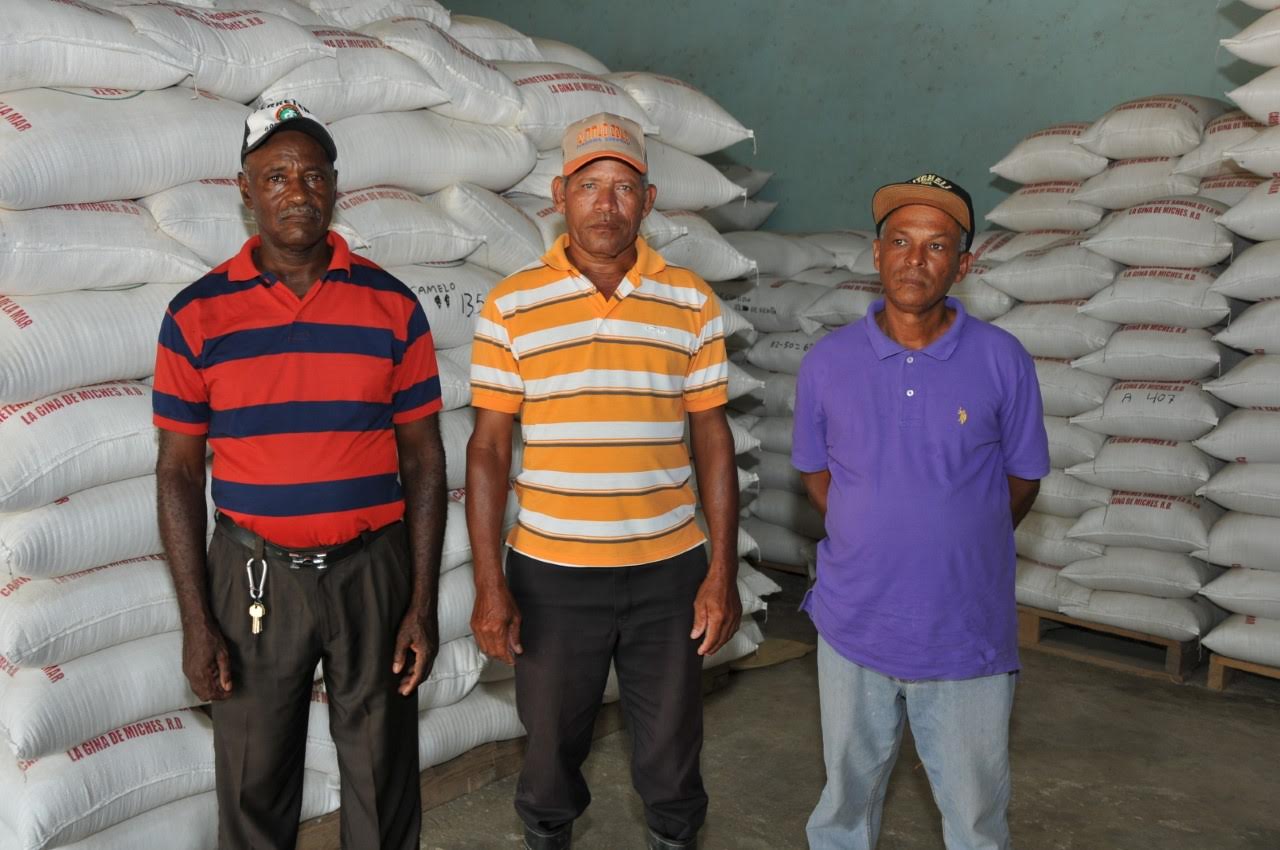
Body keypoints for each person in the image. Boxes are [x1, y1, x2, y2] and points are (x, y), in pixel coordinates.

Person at [152, 100, 446, 850]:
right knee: (253, 786)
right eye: (276, 175)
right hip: (252, 577)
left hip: (370, 572)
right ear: (246, 191)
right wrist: (195, 620)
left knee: (383, 784)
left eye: (313, 175)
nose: (297, 190)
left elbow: (423, 458)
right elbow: (180, 474)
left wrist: (420, 601)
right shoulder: (196, 316)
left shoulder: (391, 305)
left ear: (335, 187)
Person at [466, 112, 742, 850]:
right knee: (551, 754)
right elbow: (489, 449)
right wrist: (491, 584)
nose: (606, 204)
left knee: (672, 756)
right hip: (552, 576)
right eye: (589, 186)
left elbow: (712, 438)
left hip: (669, 573)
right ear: (560, 194)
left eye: (623, 188)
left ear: (649, 201)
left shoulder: (691, 302)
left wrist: (720, 572)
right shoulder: (511, 305)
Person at [793, 174, 1049, 850]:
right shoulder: (827, 362)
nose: (915, 259)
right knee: (843, 806)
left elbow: (1023, 480)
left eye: (937, 246)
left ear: (963, 264)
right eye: (900, 241)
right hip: (854, 624)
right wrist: (865, 530)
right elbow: (815, 471)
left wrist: (959, 537)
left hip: (964, 631)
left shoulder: (1003, 361)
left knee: (973, 814)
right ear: (876, 254)